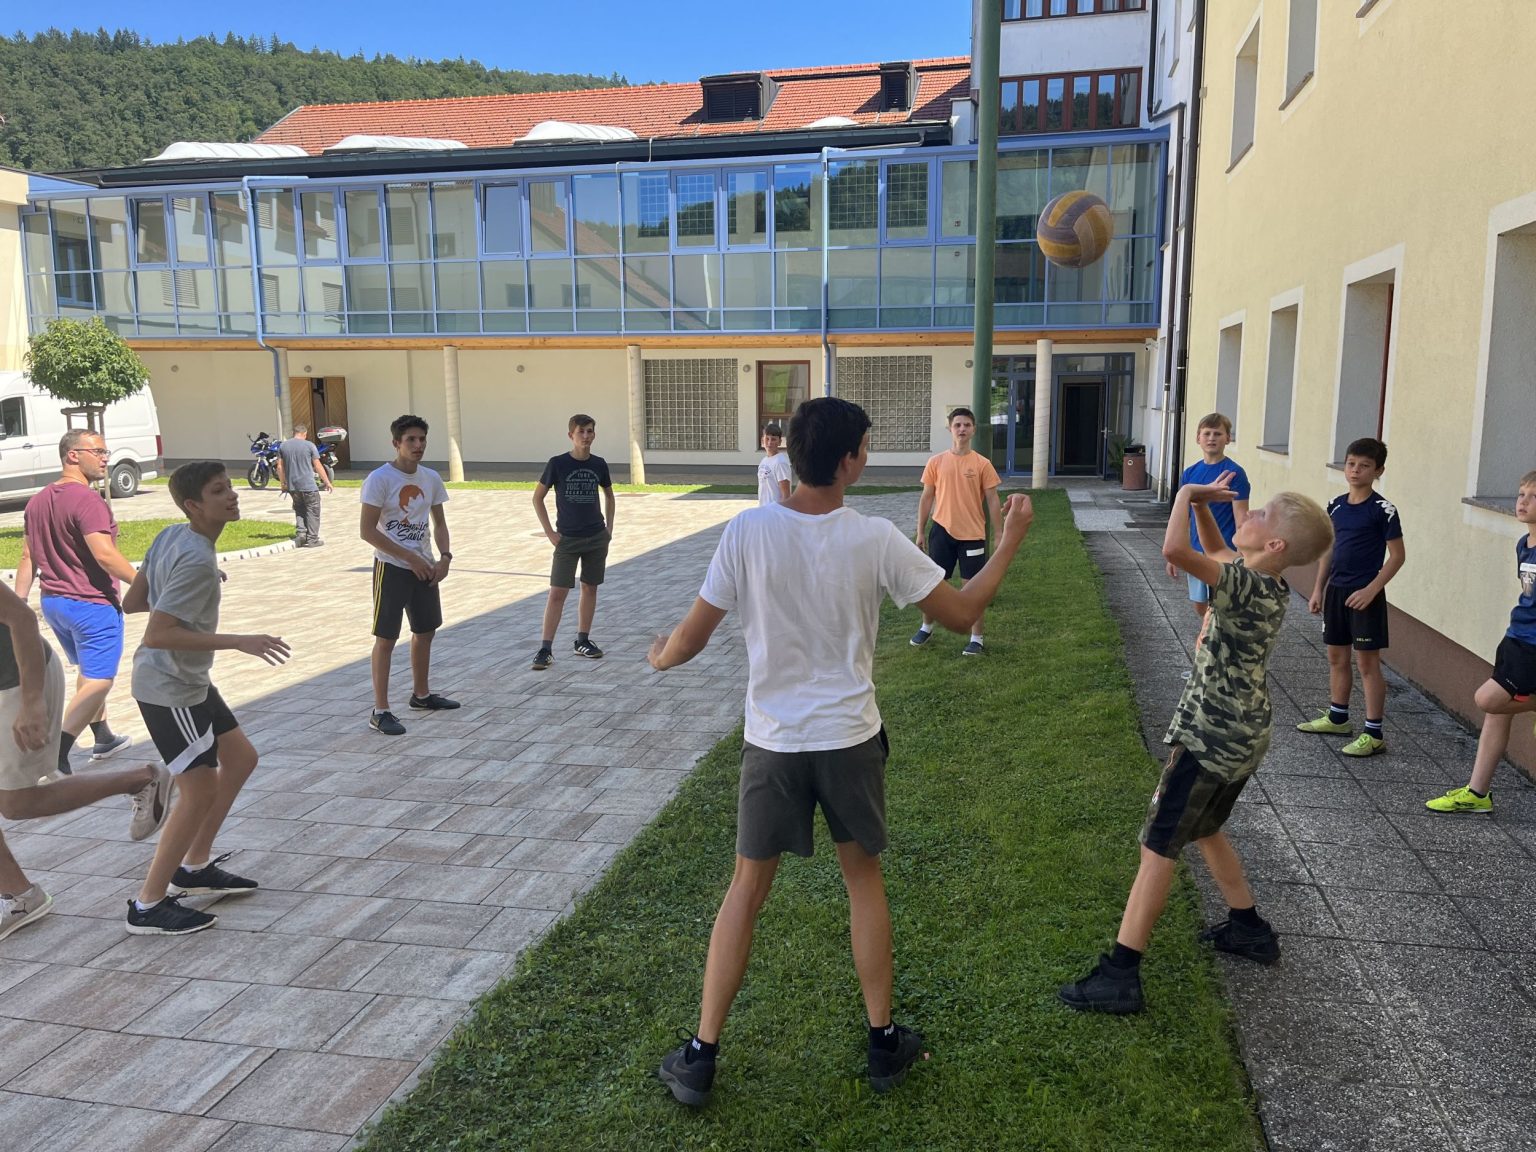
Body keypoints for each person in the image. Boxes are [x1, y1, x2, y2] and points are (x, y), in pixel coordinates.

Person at [649, 396, 1036, 1104]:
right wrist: (1010, 538)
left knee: (746, 890)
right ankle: (883, 1043)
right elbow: (961, 613)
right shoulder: (873, 538)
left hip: (773, 744)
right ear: (851, 461)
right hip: (850, 740)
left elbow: (689, 638)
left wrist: (659, 655)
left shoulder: (747, 531)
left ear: (794, 454)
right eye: (865, 447)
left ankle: (700, 1056)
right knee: (863, 880)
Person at [1059, 473, 1332, 1014]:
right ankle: (1248, 928)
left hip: (1211, 737)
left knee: (1158, 844)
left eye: (1260, 515)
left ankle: (1120, 974)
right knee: (1205, 828)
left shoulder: (1247, 586)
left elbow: (1176, 551)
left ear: (1275, 544)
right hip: (1243, 735)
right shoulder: (1264, 581)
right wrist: (1207, 507)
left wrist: (1185, 495)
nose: (1248, 515)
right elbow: (1214, 551)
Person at [124, 462, 290, 936]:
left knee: (241, 759)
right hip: (168, 689)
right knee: (199, 790)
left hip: (188, 681)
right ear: (194, 505)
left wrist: (186, 586)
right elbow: (157, 633)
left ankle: (194, 867)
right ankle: (148, 905)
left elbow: (133, 602)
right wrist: (239, 640)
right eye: (219, 491)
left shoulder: (172, 536)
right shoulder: (195, 557)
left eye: (230, 487)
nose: (232, 496)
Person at [0, 580, 171, 941]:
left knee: (16, 804)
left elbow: (22, 618)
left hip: (17, 684)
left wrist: (32, 702)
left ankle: (141, 778)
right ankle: (19, 895)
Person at [15, 429, 136, 776]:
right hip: (91, 604)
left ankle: (104, 737)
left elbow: (28, 556)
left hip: (55, 604)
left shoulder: (37, 501)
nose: (105, 458)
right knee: (100, 679)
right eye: (97, 451)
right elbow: (105, 555)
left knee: (88, 669)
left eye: (105, 451)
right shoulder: (88, 501)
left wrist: (19, 603)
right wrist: (149, 584)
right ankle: (58, 751)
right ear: (72, 455)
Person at [1425, 470, 1536, 814]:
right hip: (1515, 637)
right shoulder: (1524, 544)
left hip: (1533, 647)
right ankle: (1477, 793)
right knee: (1496, 713)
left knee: (1488, 699)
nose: (1523, 502)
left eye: (1533, 497)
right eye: (1521, 494)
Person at [1296, 437, 1406, 757]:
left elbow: (1397, 556)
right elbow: (1328, 549)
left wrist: (1372, 590)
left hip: (1365, 595)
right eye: (1351, 464)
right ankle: (1338, 717)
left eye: (1364, 466)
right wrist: (1318, 588)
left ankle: (1374, 733)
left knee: (1367, 663)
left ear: (1378, 471)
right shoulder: (1336, 505)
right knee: (1336, 657)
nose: (1356, 470)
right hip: (1337, 592)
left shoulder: (1383, 510)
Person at [360, 415, 458, 736]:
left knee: (425, 631)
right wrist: (408, 557)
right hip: (392, 567)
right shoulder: (379, 479)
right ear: (396, 443)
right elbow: (367, 531)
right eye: (411, 440)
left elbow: (439, 524)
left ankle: (421, 695)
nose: (418, 445)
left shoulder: (431, 478)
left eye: (422, 439)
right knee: (386, 638)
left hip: (425, 567)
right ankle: (380, 710)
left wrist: (444, 557)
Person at [910, 407, 1003, 656]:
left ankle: (977, 638)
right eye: (957, 425)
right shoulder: (936, 462)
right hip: (941, 532)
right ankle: (926, 627)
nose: (962, 429)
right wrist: (920, 531)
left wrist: (999, 534)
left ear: (973, 430)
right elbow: (926, 498)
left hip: (972, 535)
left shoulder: (982, 464)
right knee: (934, 584)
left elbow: (993, 500)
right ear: (950, 429)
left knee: (972, 588)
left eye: (967, 425)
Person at [531, 414, 616, 671]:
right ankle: (545, 649)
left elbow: (609, 495)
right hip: (567, 540)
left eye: (590, 431)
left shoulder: (599, 464)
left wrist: (609, 529)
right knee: (557, 593)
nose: (586, 436)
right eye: (581, 432)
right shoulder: (557, 464)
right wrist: (550, 533)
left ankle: (583, 640)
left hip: (596, 537)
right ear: (571, 435)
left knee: (590, 588)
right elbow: (537, 498)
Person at [1167, 413, 1250, 643]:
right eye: (1207, 433)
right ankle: (1214, 642)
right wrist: (1174, 555)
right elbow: (1183, 516)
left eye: (1218, 434)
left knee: (1220, 606)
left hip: (1223, 551)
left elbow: (1241, 517)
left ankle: (1215, 648)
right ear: (1198, 438)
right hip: (1196, 550)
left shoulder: (1234, 473)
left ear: (1228, 438)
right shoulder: (1190, 473)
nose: (1212, 438)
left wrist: (1242, 557)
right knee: (1200, 606)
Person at [275, 422, 333, 548]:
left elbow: (279, 467)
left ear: (294, 433)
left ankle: (301, 534)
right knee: (313, 510)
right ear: (304, 434)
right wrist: (327, 482)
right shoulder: (309, 445)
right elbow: (317, 465)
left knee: (299, 509)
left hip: (292, 486)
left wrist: (283, 483)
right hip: (308, 485)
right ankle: (312, 539)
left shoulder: (283, 446)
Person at [756, 421, 792, 506]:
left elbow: (786, 495)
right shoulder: (764, 461)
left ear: (779, 442)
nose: (769, 442)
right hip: (764, 509)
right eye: (767, 439)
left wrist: (779, 511)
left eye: (773, 439)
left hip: (774, 511)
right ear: (762, 440)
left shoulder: (780, 462)